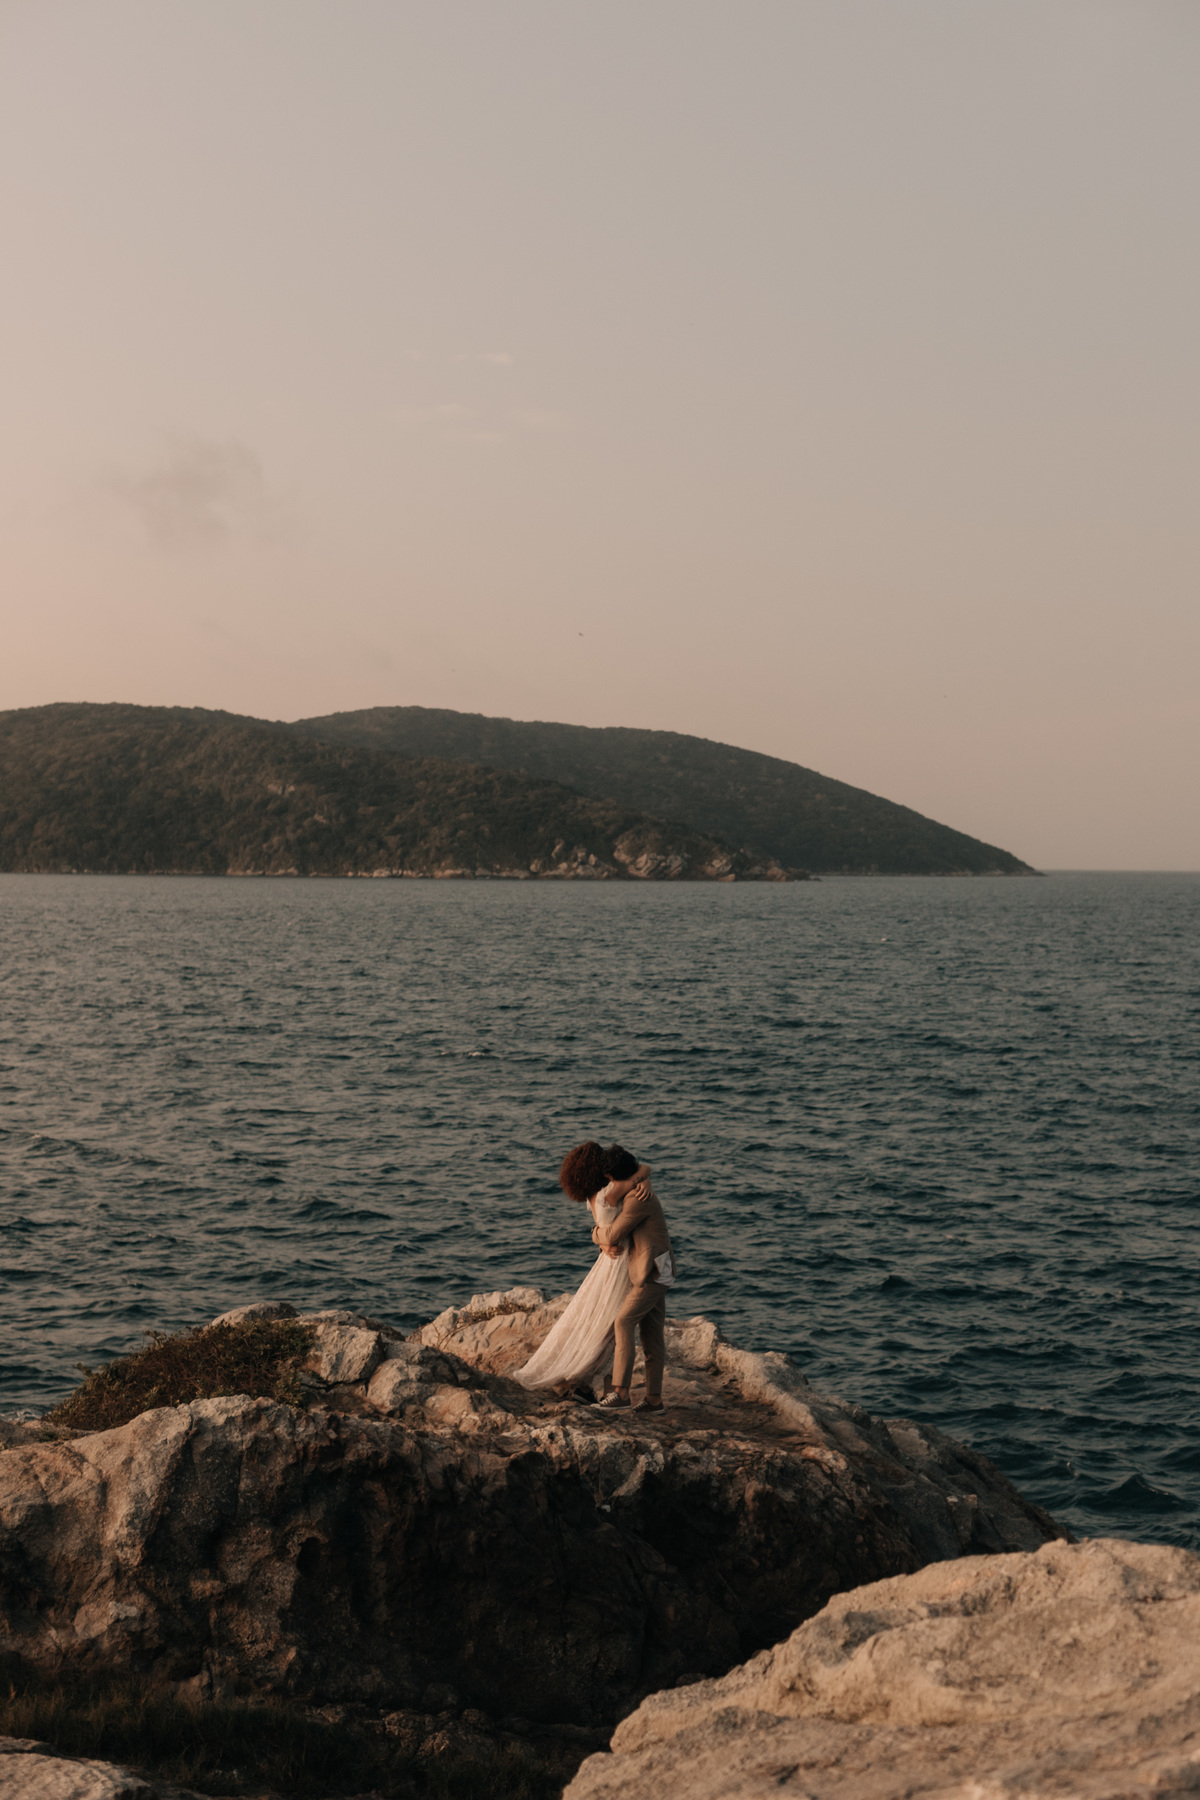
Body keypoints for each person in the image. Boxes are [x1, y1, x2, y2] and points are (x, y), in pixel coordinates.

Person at [513, 1142, 662, 1401]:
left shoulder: (592, 1198)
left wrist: (600, 1240)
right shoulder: (609, 1193)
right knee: (610, 1327)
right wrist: (645, 1179)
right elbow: (641, 1172)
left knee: (601, 1322)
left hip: (607, 1262)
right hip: (621, 1264)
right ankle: (593, 1384)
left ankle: (593, 1385)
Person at [590, 1159, 675, 1412]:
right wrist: (644, 1177)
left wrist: (594, 1234)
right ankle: (654, 1401)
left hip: (653, 1272)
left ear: (617, 1178)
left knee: (623, 1322)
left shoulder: (636, 1199)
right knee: (652, 1336)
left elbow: (612, 1234)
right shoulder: (638, 1189)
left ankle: (621, 1393)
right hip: (658, 1268)